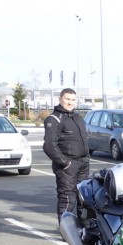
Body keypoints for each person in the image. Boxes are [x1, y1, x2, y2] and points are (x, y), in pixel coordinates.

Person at [43, 88, 89, 221]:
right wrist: (66, 163)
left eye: (73, 99)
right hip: (67, 167)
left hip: (83, 164)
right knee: (68, 200)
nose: (70, 102)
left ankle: (84, 230)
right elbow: (49, 146)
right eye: (67, 99)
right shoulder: (54, 119)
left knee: (84, 197)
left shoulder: (77, 118)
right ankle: (66, 231)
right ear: (60, 99)